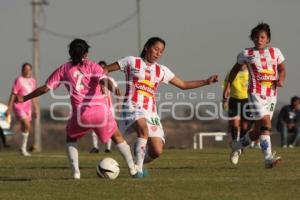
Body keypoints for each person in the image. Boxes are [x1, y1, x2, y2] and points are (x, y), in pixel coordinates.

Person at [15, 39, 140, 179]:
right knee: (117, 137)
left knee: (71, 138)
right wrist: (113, 88)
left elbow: (45, 88)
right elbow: (103, 80)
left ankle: (76, 172)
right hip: (101, 112)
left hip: (81, 114)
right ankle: (133, 169)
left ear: (70, 53)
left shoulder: (63, 69)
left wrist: (24, 98)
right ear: (86, 53)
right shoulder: (94, 66)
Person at [104, 37, 218, 176]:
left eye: (161, 51)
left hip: (151, 111)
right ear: (147, 47)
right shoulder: (132, 61)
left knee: (157, 151)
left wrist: (206, 81)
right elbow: (104, 70)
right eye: (156, 49)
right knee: (143, 129)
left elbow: (183, 85)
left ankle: (137, 159)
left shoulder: (161, 70)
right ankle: (137, 171)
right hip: (132, 105)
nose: (158, 53)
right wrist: (107, 84)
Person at [223, 23, 286, 168]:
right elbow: (234, 70)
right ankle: (268, 158)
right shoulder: (246, 54)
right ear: (252, 39)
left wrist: (281, 79)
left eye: (262, 37)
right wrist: (227, 87)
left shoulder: (275, 52)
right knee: (266, 123)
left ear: (268, 39)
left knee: (258, 131)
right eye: (256, 37)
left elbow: (282, 69)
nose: (259, 39)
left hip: (272, 94)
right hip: (255, 93)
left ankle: (237, 145)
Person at [6, 63, 37, 156]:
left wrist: (35, 109)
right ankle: (23, 149)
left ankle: (22, 149)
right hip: (18, 106)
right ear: (22, 70)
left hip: (28, 107)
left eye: (29, 69)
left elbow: (34, 96)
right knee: (26, 124)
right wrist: (9, 108)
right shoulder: (18, 80)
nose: (27, 71)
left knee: (26, 128)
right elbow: (13, 94)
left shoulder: (32, 81)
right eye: (25, 69)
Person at [223, 65, 251, 164]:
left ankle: (240, 146)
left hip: (248, 101)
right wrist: (225, 100)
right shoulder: (232, 72)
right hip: (234, 101)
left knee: (244, 126)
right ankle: (235, 148)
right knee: (234, 125)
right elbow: (226, 85)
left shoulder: (251, 72)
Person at [89, 60, 113, 154]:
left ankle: (108, 148)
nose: (102, 70)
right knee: (94, 128)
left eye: (104, 68)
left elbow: (115, 92)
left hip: (109, 108)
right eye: (100, 68)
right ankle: (95, 147)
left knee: (110, 128)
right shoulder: (94, 81)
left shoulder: (110, 81)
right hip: (97, 107)